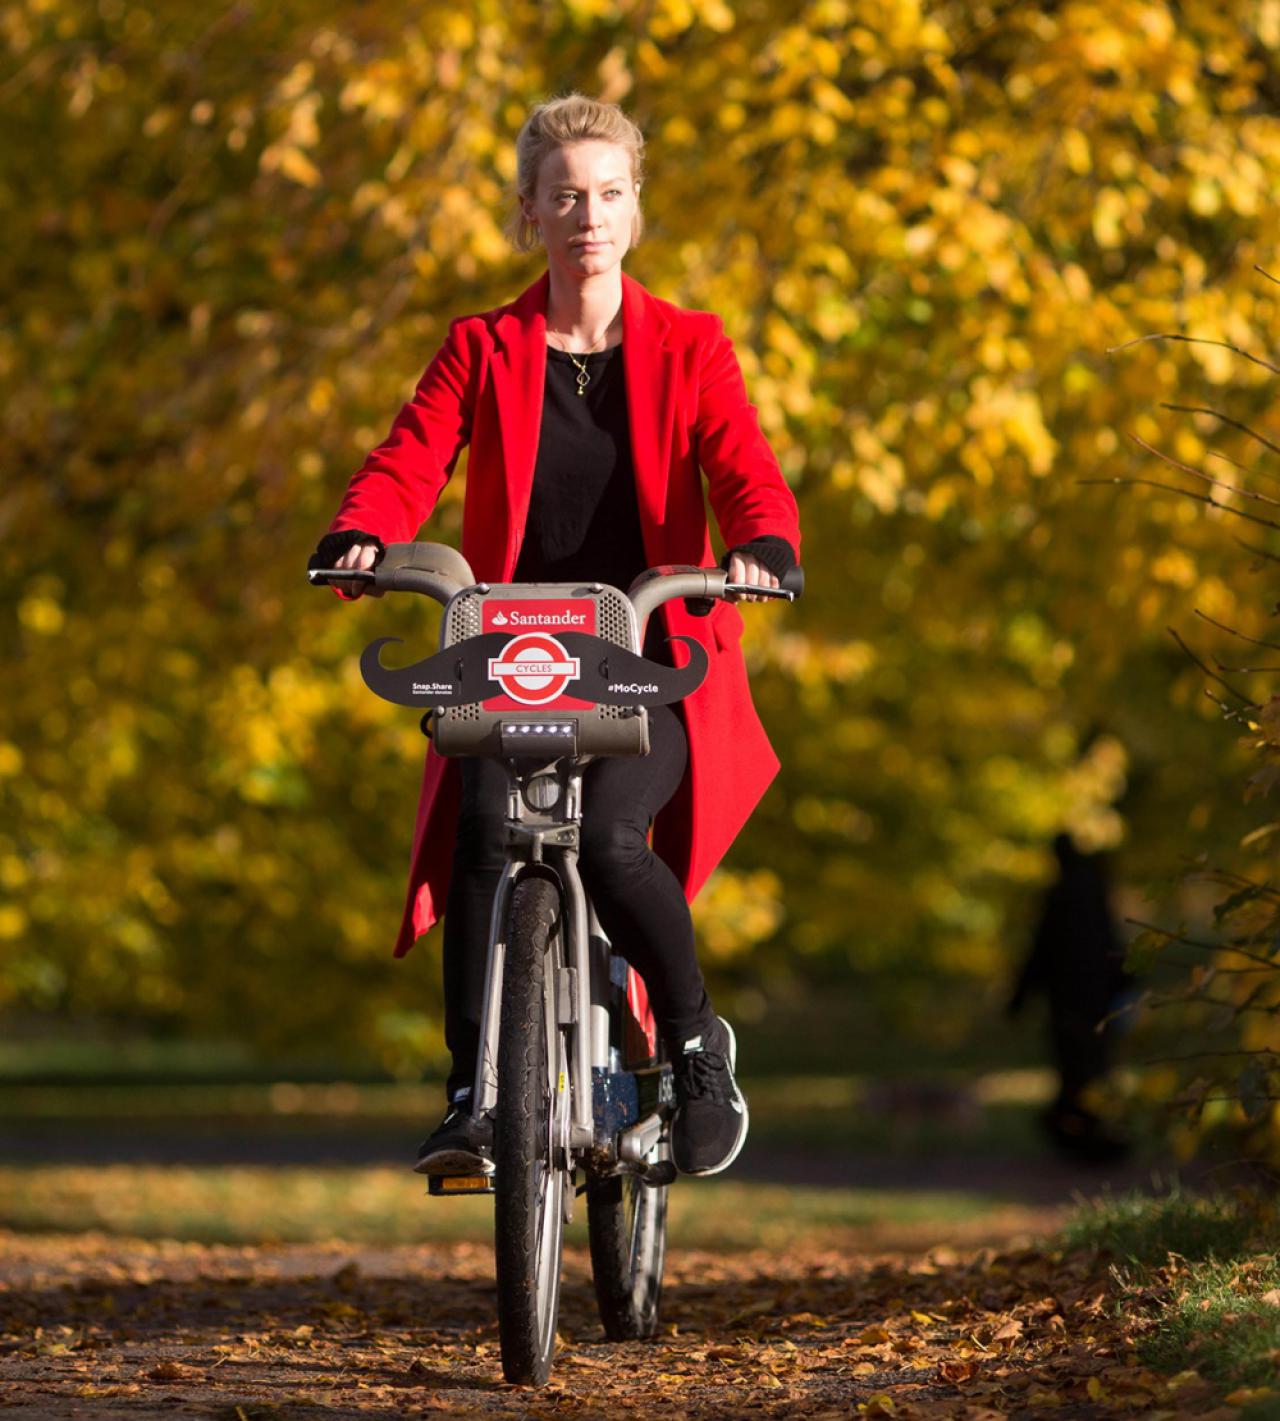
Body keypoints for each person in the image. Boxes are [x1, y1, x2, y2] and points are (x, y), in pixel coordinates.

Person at [309, 94, 801, 1179]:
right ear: (527, 211)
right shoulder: (482, 345)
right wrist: (364, 530)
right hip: (516, 651)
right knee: (480, 834)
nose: (589, 216)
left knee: (617, 839)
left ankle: (690, 1046)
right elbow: (410, 456)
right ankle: (470, 1092)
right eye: (565, 195)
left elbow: (742, 466)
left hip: (645, 650)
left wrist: (762, 540)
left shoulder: (691, 345)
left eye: (610, 195)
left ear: (635, 213)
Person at [1008, 831, 1134, 1162]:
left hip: (1069, 1004)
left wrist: (1018, 999)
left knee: (1075, 1071)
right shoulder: (1096, 891)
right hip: (1097, 1002)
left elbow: (1041, 951)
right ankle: (1096, 1136)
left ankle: (1086, 1136)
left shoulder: (1062, 896)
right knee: (1096, 1069)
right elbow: (1112, 945)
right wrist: (1124, 987)